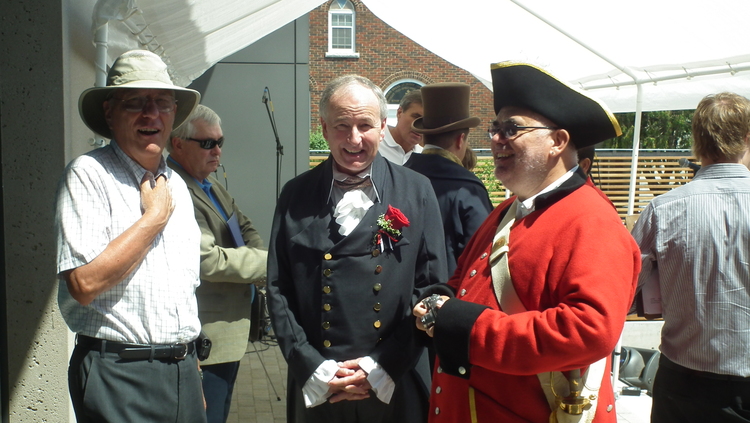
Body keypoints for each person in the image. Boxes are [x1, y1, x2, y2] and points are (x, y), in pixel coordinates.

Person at [413, 62, 641, 423]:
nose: (495, 139)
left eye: (512, 129)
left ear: (558, 141)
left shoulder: (593, 219)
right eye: (495, 128)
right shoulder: (508, 210)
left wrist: (468, 328)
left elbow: (590, 330)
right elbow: (466, 281)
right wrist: (439, 299)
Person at [267, 74, 449, 423]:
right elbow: (278, 289)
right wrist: (313, 368)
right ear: (324, 128)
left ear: (382, 126)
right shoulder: (295, 194)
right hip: (321, 386)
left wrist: (380, 368)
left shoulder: (418, 190)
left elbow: (432, 288)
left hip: (395, 380)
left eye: (365, 125)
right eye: (342, 126)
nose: (354, 139)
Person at [55, 49, 205, 422]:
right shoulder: (88, 175)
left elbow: (183, 290)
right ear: (109, 112)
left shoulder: (178, 186)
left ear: (174, 113)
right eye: (135, 102)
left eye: (162, 102)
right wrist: (153, 218)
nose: (151, 113)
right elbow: (83, 284)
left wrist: (192, 372)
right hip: (119, 373)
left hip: (183, 372)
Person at [631, 92, 750, 423]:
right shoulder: (662, 209)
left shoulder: (663, 209)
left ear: (697, 140)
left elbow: (622, 286)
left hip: (683, 386)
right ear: (747, 138)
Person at [167, 104, 268, 423]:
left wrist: (255, 260)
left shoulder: (212, 187)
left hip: (227, 335)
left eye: (220, 142)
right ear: (178, 144)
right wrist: (269, 263)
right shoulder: (176, 189)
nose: (217, 151)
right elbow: (208, 261)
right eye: (207, 143)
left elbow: (246, 228)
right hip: (204, 340)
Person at [405, 82, 493, 276]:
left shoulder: (399, 178)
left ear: (424, 137)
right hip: (448, 291)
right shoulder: (468, 189)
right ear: (461, 140)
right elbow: (482, 257)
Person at [379, 89, 424, 164]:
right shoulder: (374, 145)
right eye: (416, 117)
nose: (420, 125)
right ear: (399, 113)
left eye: (427, 121)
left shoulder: (424, 157)